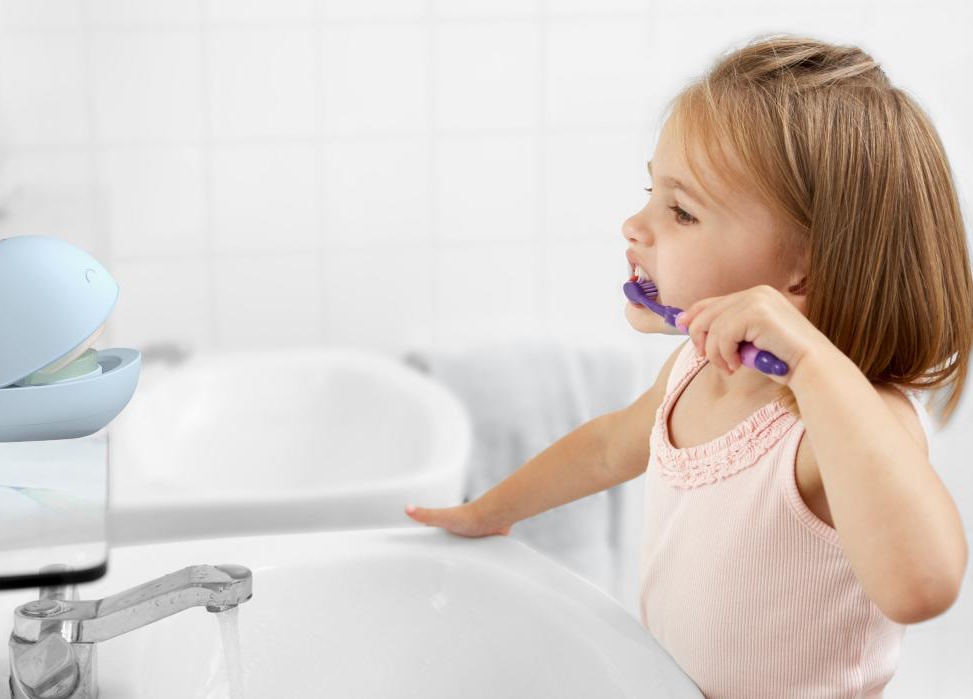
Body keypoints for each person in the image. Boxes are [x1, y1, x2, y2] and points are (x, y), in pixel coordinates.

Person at [405, 34, 971, 698]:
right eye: (652, 191)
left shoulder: (847, 423)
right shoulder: (697, 371)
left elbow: (923, 584)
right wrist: (491, 511)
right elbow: (607, 446)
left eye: (681, 210)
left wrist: (814, 365)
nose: (634, 225)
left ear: (802, 273)